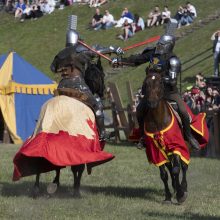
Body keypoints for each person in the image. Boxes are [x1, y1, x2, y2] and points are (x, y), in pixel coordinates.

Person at [112, 34, 200, 151]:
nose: (159, 46)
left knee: (183, 111)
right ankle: (143, 137)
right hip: (152, 91)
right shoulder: (153, 53)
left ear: (168, 46)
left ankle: (188, 136)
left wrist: (159, 78)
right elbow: (137, 59)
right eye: (159, 43)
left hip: (169, 91)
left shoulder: (173, 60)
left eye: (162, 44)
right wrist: (120, 61)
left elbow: (172, 80)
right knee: (139, 110)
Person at [51, 18, 124, 141]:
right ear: (77, 39)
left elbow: (52, 68)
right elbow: (96, 52)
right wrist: (113, 48)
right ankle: (102, 134)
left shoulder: (60, 54)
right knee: (97, 104)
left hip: (61, 87)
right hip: (78, 87)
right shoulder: (79, 50)